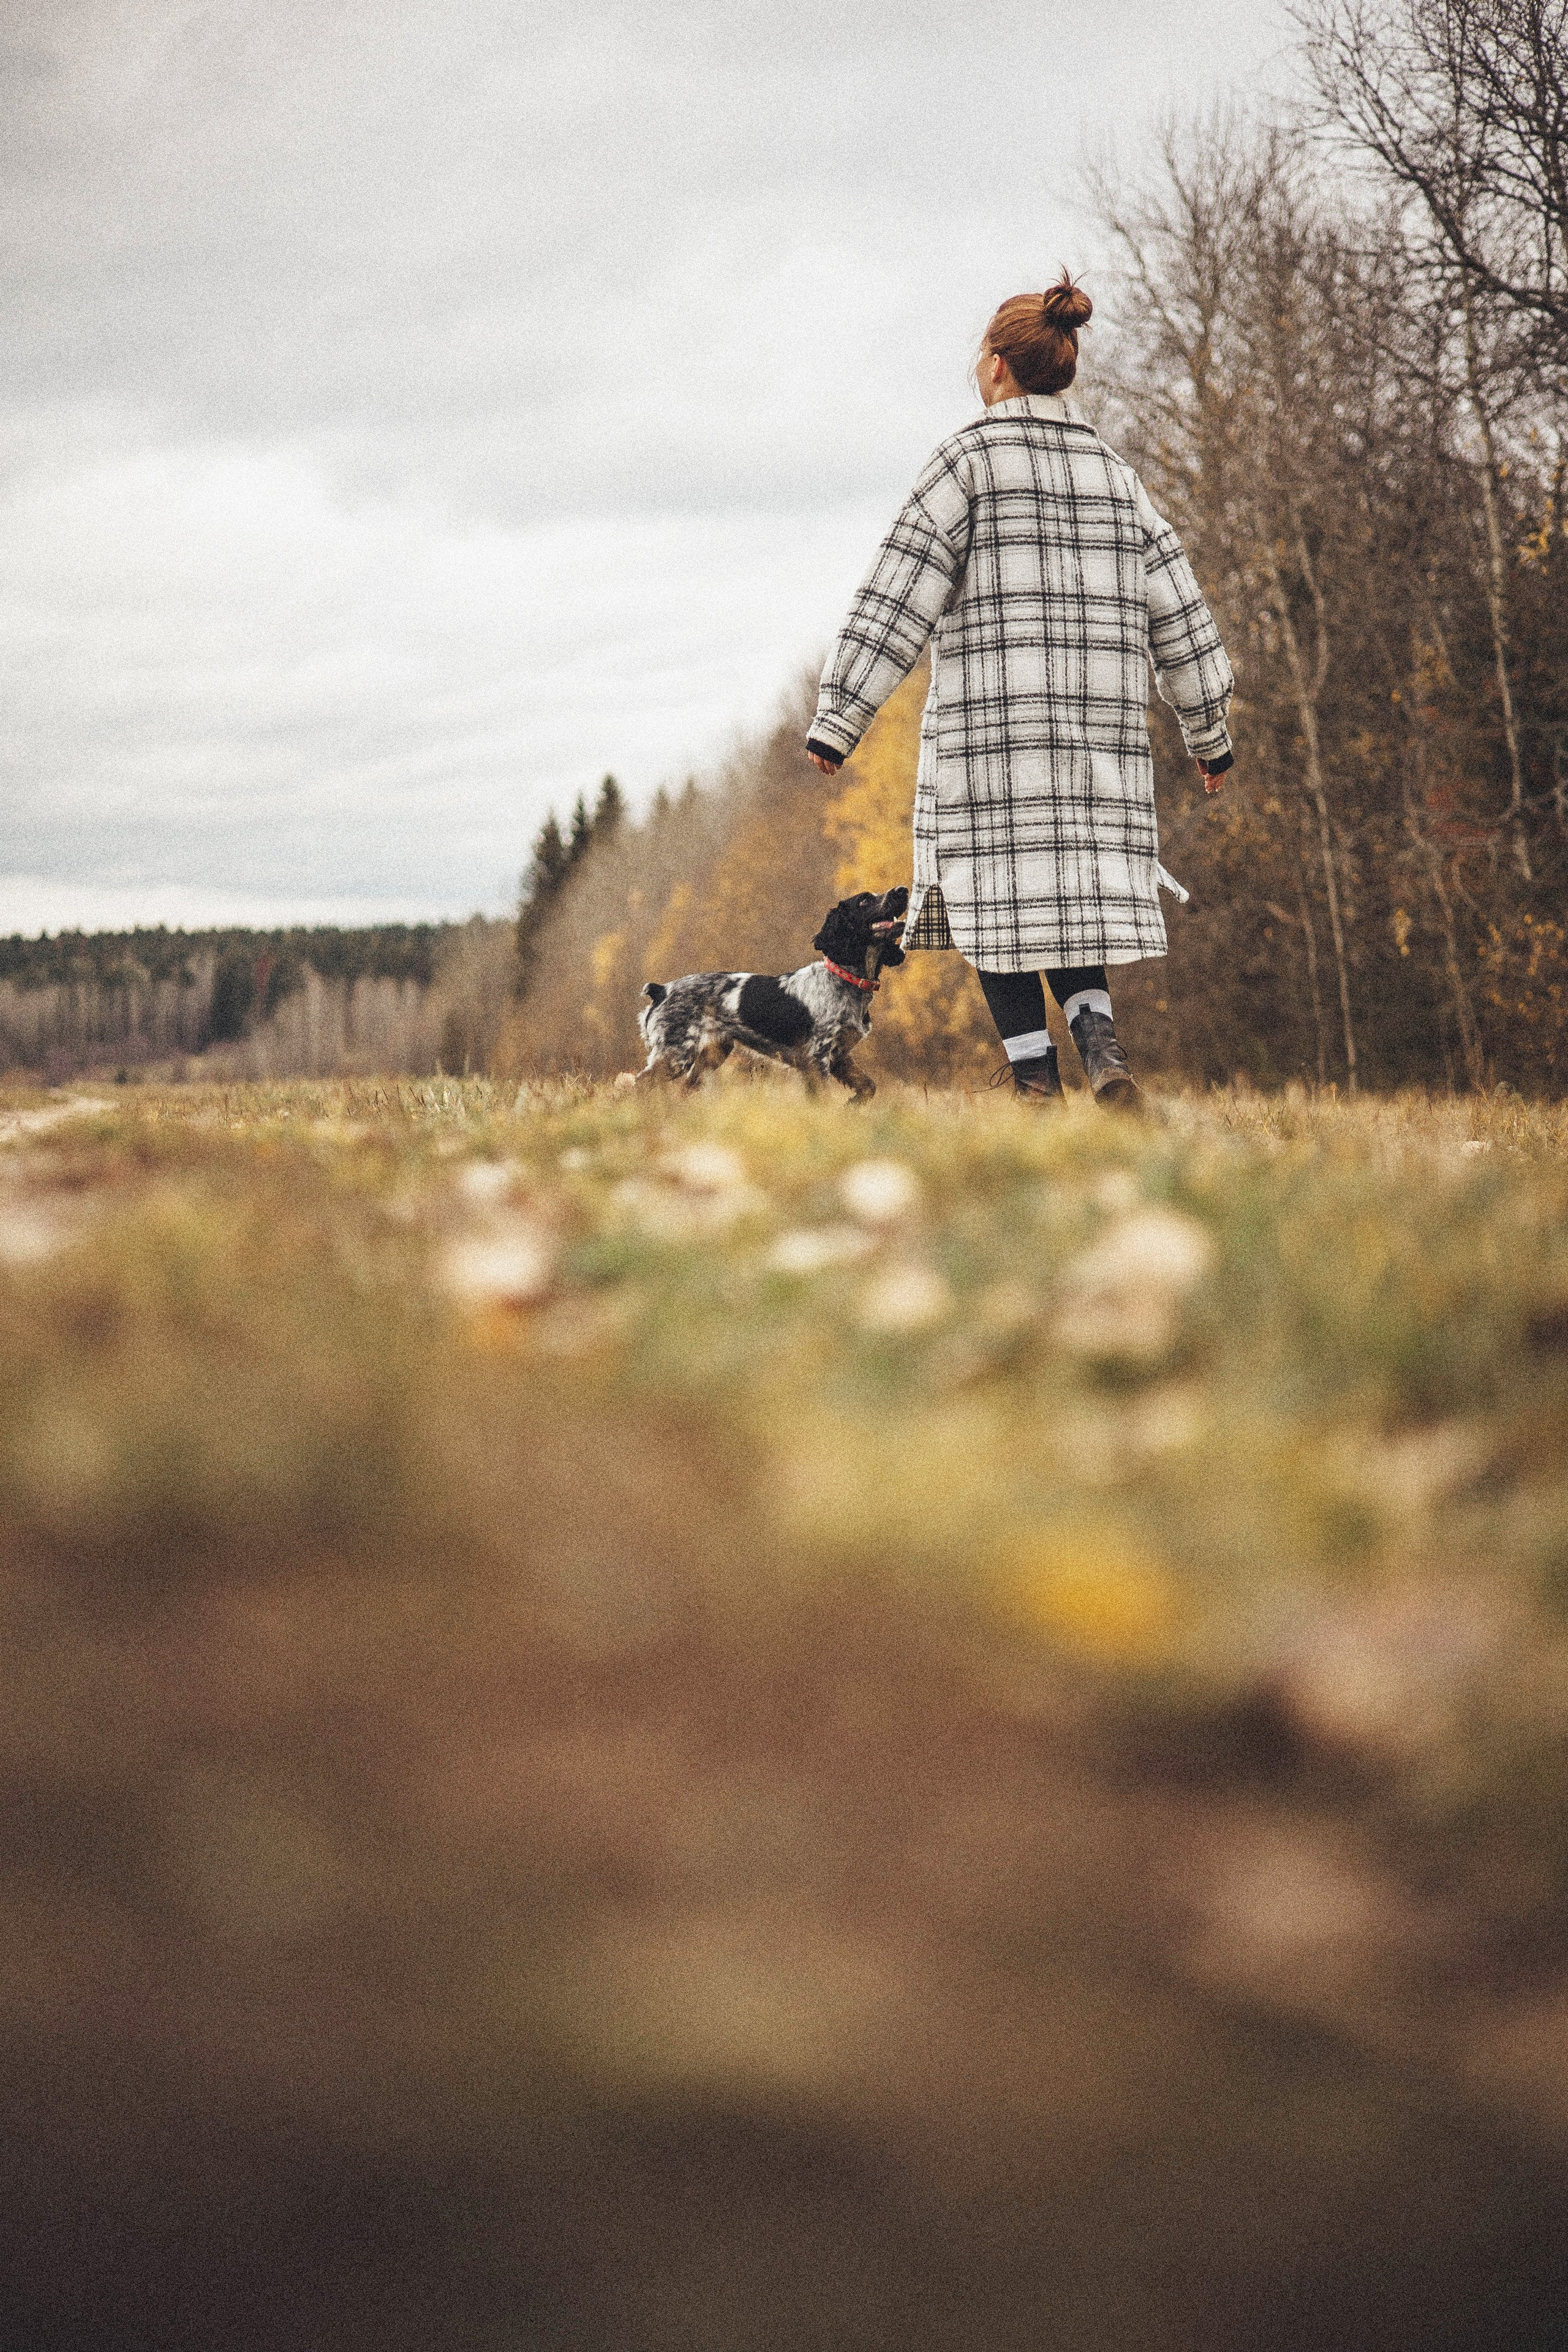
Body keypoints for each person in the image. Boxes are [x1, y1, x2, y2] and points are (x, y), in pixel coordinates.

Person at [805, 274, 1233, 1107]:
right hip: (1095, 749)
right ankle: (1103, 1054)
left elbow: (897, 593)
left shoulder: (967, 462)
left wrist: (839, 716)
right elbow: (1180, 610)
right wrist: (1209, 733)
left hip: (992, 748)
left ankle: (1036, 1083)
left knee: (995, 911)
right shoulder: (1117, 476)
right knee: (1068, 904)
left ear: (998, 368)